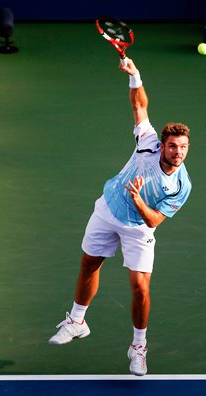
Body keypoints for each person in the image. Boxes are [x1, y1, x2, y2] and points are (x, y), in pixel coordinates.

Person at [48, 57, 192, 376]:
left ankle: (138, 346)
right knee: (89, 263)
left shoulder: (182, 185)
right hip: (107, 209)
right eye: (172, 146)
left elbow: (154, 220)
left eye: (183, 147)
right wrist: (135, 75)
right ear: (163, 146)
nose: (177, 152)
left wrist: (139, 199)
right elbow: (139, 106)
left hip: (138, 229)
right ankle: (77, 321)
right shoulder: (148, 142)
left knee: (140, 287)